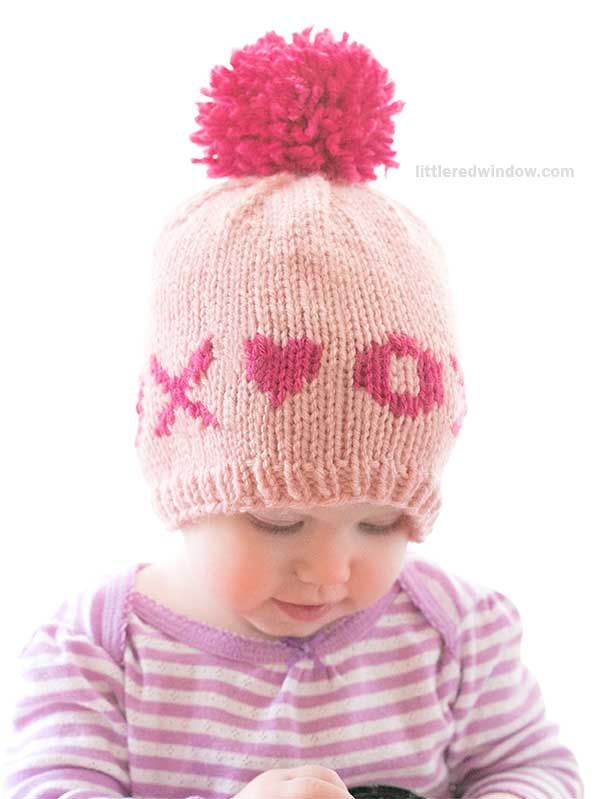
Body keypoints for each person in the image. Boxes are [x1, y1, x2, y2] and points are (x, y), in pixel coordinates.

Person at [3, 26, 583, 799]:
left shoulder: (454, 632)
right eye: (278, 522)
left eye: (381, 524)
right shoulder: (98, 650)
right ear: (184, 480)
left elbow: (535, 768)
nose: (330, 571)